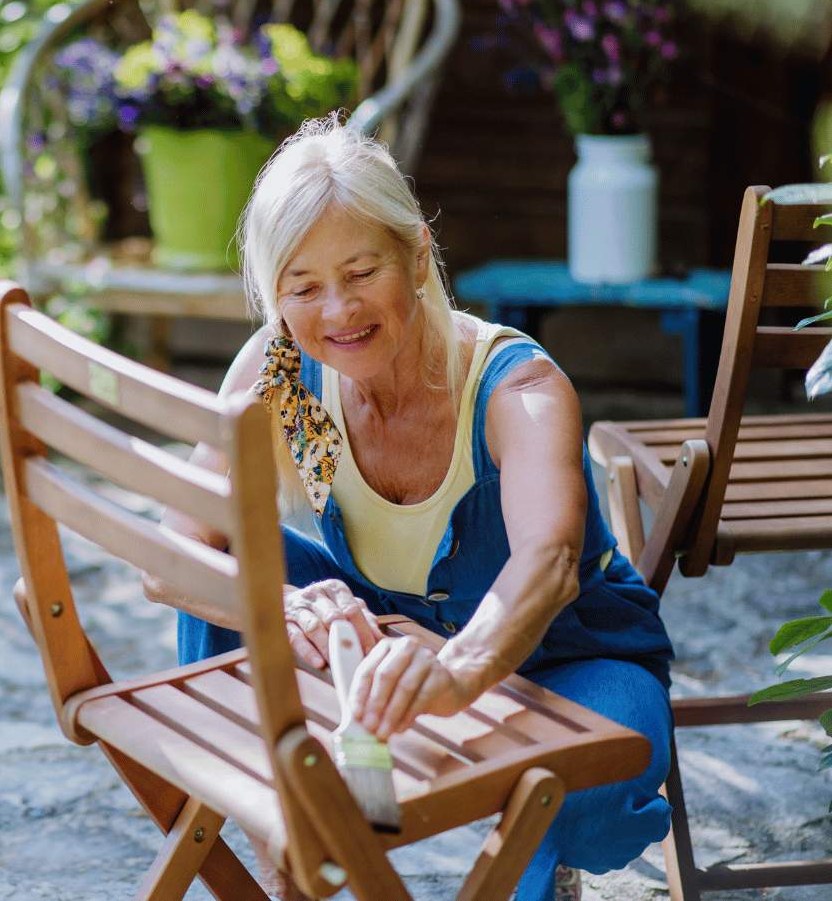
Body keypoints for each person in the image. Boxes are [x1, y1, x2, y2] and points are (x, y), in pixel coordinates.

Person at [143, 114, 674, 901]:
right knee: (236, 574)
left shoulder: (515, 387)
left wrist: (455, 671)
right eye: (303, 287)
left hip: (568, 657)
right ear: (274, 295)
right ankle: (294, 861)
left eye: (361, 272)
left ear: (416, 253)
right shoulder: (280, 374)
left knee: (584, 794)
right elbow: (171, 556)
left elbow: (550, 563)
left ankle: (537, 870)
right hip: (383, 628)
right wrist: (283, 607)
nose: (337, 311)